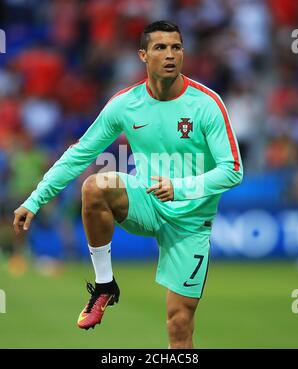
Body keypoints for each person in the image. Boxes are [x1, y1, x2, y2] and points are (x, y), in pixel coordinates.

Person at [13, 20, 243, 349]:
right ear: (143, 55)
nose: (169, 54)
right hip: (146, 201)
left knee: (179, 323)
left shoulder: (206, 104)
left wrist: (180, 188)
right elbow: (79, 154)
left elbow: (233, 170)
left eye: (176, 47)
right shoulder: (126, 104)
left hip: (191, 222)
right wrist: (34, 201)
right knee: (95, 186)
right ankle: (105, 285)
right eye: (160, 47)